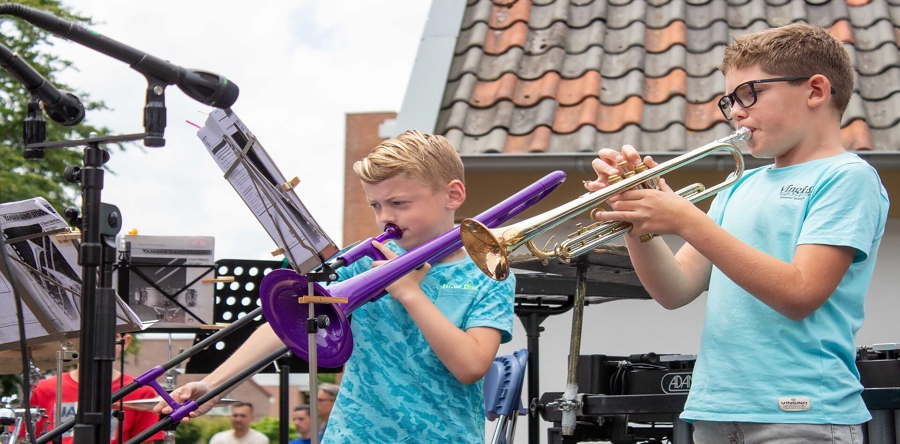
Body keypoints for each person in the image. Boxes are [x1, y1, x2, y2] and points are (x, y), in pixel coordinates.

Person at [587, 23, 889, 443]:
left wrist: (686, 220)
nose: (736, 112)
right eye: (730, 100)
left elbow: (800, 293)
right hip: (716, 408)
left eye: (750, 93)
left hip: (801, 412)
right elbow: (675, 290)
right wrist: (637, 223)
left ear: (815, 91)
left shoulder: (847, 177)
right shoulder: (738, 186)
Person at [157, 130, 516, 443]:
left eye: (399, 203)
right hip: (352, 434)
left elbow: (470, 367)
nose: (385, 217)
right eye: (376, 205)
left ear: (452, 195)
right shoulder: (362, 260)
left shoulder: (487, 272)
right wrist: (213, 385)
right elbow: (286, 325)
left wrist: (409, 293)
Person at [28, 333, 165, 443]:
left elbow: (145, 441)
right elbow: (26, 437)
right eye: (89, 335)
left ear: (126, 341)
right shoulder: (43, 388)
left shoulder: (141, 391)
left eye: (112, 336)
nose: (99, 343)